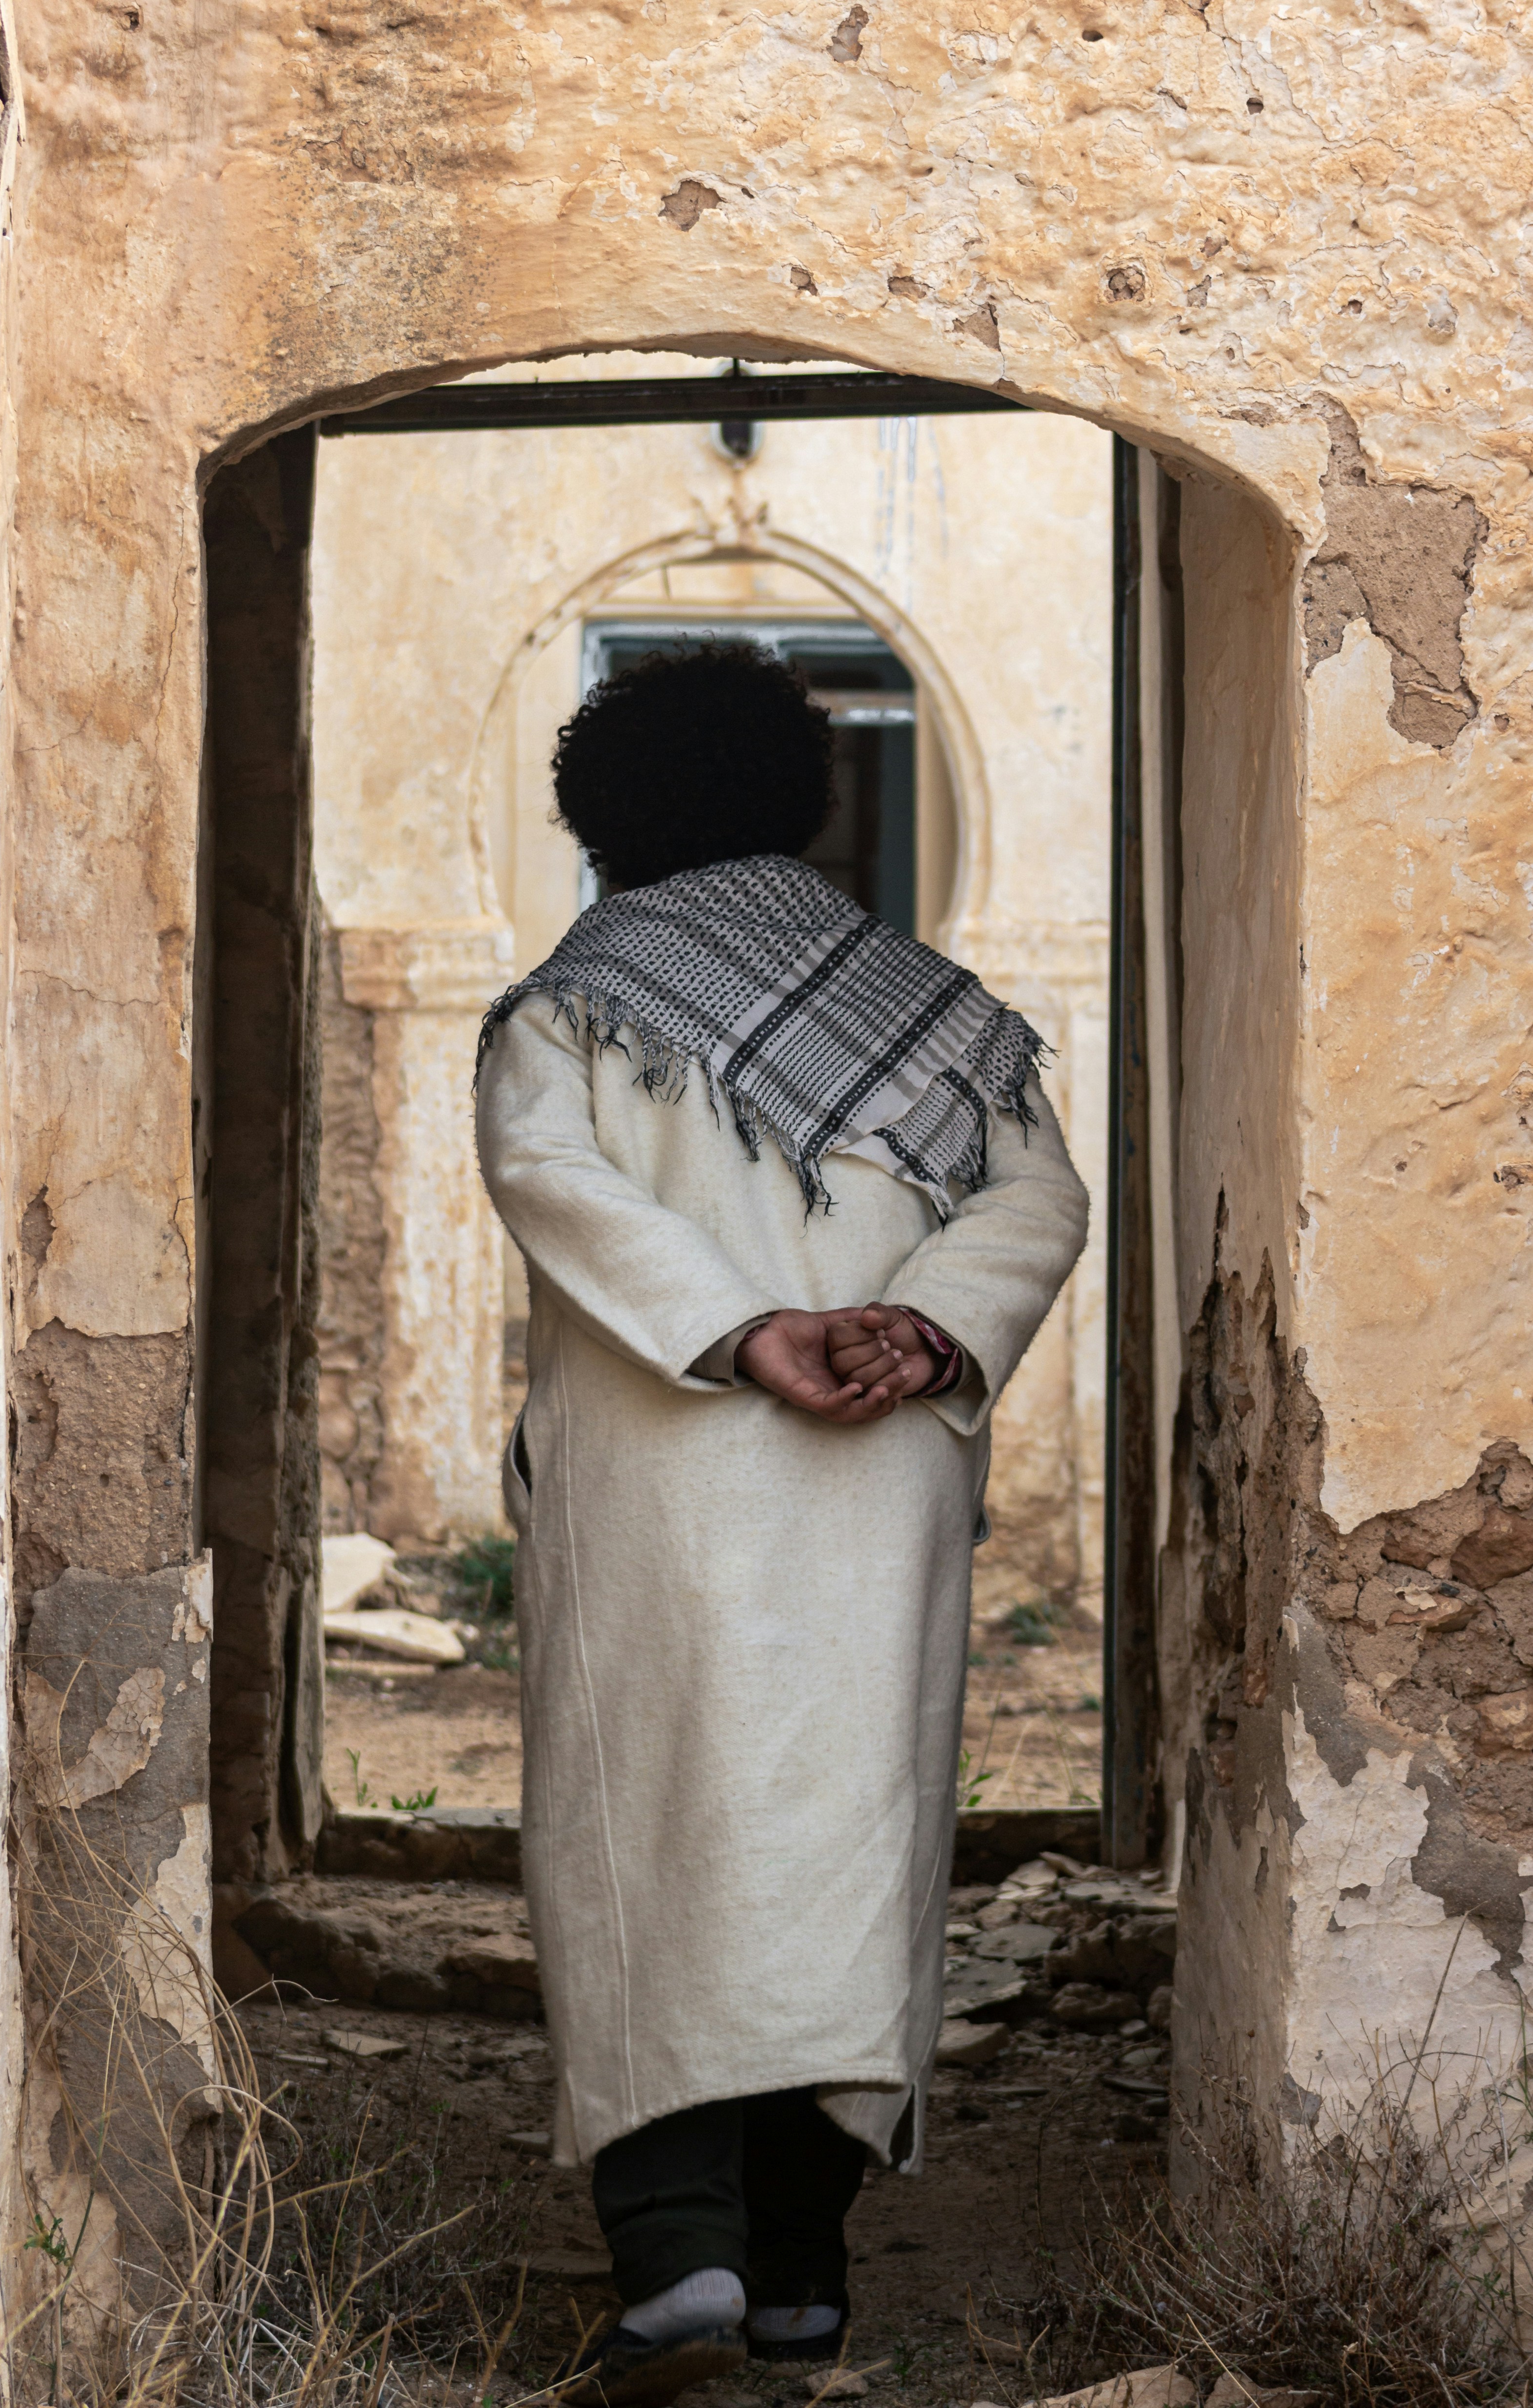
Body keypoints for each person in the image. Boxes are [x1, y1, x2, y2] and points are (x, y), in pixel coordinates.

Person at [474, 644, 1088, 2407]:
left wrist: (746, 1332)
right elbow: (1034, 1195)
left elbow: (552, 1182)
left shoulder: (574, 1003)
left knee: (649, 1828)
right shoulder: (940, 1013)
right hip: (882, 1471)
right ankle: (807, 2275)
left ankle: (682, 2259)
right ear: (800, 800)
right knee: (850, 1835)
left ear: (603, 823)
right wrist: (920, 1323)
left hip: (666, 1469)